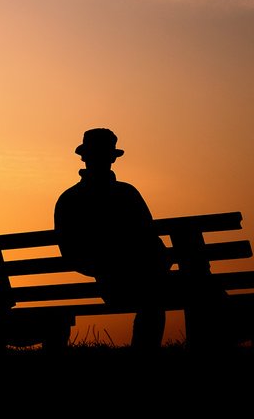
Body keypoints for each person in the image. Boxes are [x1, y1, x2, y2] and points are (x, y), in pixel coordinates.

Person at [54, 127, 172, 350]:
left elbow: (70, 253)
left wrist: (102, 267)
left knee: (156, 295)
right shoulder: (127, 194)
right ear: (112, 158)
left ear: (83, 157)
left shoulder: (69, 199)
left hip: (108, 286)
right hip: (136, 282)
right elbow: (153, 241)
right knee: (180, 292)